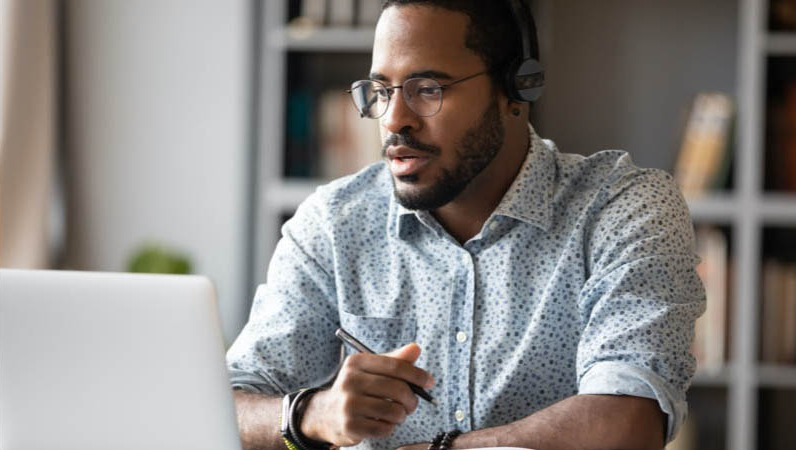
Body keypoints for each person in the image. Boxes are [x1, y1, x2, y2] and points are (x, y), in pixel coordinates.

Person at [226, 1, 706, 449]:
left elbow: (626, 422)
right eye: (381, 91)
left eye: (428, 89)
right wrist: (308, 413)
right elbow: (226, 404)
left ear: (517, 89)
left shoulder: (621, 208)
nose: (395, 120)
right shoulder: (335, 223)